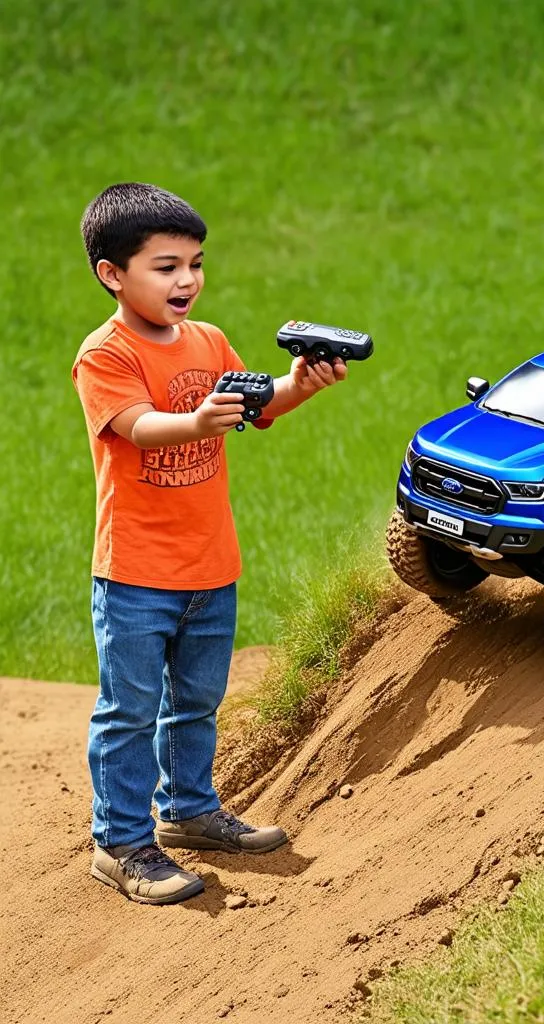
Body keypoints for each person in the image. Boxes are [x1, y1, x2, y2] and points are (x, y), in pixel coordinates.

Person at [73, 182, 347, 904]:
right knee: (129, 710)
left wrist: (299, 384)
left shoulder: (209, 340)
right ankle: (121, 842)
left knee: (195, 701)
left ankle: (189, 810)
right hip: (134, 573)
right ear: (113, 274)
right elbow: (137, 426)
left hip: (209, 567)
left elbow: (257, 409)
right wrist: (196, 421)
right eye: (165, 267)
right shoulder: (105, 355)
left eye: (195, 263)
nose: (186, 280)